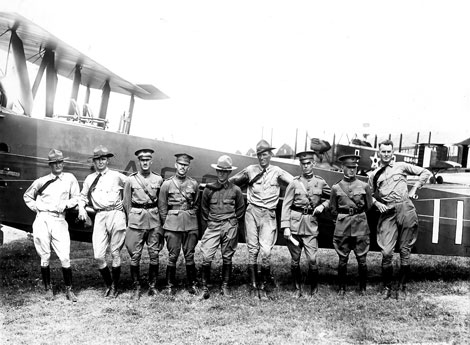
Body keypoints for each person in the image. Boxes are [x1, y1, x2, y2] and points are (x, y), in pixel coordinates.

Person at [230, 139, 293, 299]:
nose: (261, 158)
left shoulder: (277, 171)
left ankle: (264, 285)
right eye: (259, 155)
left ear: (270, 154)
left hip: (269, 215)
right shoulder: (250, 170)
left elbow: (294, 183)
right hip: (252, 212)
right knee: (253, 250)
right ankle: (253, 286)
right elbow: (232, 182)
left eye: (264, 154)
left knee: (266, 251)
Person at [368, 139, 431, 300]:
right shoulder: (374, 174)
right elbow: (368, 194)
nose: (386, 154)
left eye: (389, 151)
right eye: (383, 151)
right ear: (379, 153)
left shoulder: (401, 166)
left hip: (405, 208)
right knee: (387, 251)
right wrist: (377, 203)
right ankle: (387, 287)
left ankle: (402, 287)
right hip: (387, 211)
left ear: (392, 153)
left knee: (405, 250)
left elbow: (425, 172)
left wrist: (415, 188)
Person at [23, 149, 80, 302]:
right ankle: (48, 289)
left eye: (60, 162)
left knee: (64, 255)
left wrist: (66, 204)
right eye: (54, 163)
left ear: (63, 163)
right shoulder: (42, 180)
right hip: (42, 219)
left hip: (59, 219)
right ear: (50, 165)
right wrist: (37, 208)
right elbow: (27, 196)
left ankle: (69, 290)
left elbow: (76, 197)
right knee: (44, 255)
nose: (58, 165)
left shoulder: (70, 179)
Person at [77, 145, 128, 298]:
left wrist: (125, 201)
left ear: (108, 160)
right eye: (98, 159)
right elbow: (82, 197)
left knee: (115, 252)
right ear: (94, 161)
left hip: (116, 214)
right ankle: (108, 283)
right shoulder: (90, 179)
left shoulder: (116, 176)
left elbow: (132, 186)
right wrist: (81, 208)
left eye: (103, 159)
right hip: (100, 216)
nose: (100, 162)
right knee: (98, 255)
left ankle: (114, 287)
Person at [281, 151, 330, 298]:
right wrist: (286, 227)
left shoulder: (320, 182)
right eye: (303, 163)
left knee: (312, 260)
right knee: (295, 261)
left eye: (308, 163)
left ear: (313, 164)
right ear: (300, 165)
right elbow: (286, 205)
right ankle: (297, 289)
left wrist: (323, 206)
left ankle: (313, 289)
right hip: (295, 225)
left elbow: (332, 196)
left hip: (311, 225)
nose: (306, 166)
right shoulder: (294, 183)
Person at [200, 155, 245, 299]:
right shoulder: (209, 190)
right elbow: (204, 208)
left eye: (225, 172)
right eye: (219, 171)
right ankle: (204, 288)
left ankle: (225, 286)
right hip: (213, 225)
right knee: (206, 256)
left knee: (227, 257)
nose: (221, 174)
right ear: (216, 171)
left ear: (229, 173)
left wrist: (230, 222)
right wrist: (212, 221)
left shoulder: (236, 190)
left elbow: (240, 209)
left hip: (229, 226)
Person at [123, 148, 163, 300]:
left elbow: (161, 202)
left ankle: (152, 286)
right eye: (142, 160)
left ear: (151, 161)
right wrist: (130, 220)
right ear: (138, 162)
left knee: (154, 255)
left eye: (147, 160)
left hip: (153, 220)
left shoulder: (158, 180)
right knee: (135, 256)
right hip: (136, 221)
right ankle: (136, 287)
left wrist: (160, 223)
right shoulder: (130, 180)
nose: (145, 163)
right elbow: (126, 203)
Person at [330, 155, 373, 296]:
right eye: (349, 167)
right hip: (342, 226)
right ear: (342, 168)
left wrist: (358, 215)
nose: (352, 170)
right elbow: (333, 208)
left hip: (360, 225)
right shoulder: (336, 188)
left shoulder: (364, 186)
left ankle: (362, 288)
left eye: (354, 167)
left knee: (362, 259)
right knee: (342, 259)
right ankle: (342, 288)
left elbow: (369, 206)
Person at [158, 153, 200, 295]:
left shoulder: (193, 184)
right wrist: (168, 224)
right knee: (173, 255)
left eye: (185, 165)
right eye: (180, 164)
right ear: (176, 165)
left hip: (190, 223)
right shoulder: (167, 184)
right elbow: (162, 207)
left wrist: (189, 215)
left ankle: (192, 284)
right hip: (172, 224)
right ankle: (170, 286)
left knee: (189, 255)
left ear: (189, 167)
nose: (183, 167)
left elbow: (196, 204)